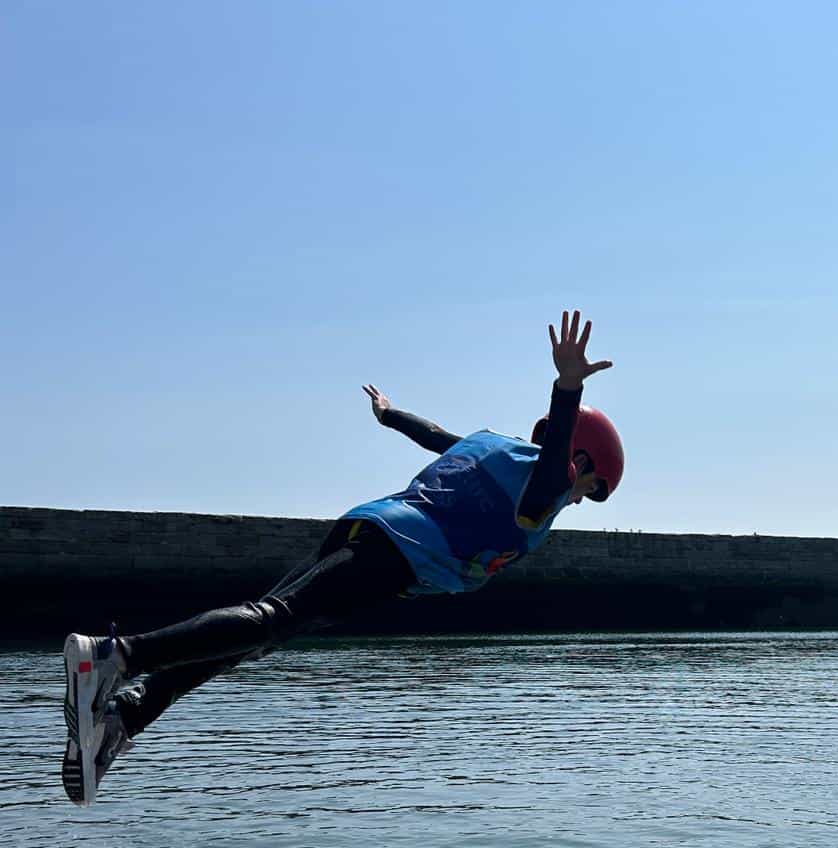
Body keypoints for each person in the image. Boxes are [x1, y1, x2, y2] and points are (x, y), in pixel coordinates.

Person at [61, 310, 624, 806]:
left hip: (366, 528)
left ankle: (124, 717)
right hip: (401, 552)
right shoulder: (547, 485)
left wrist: (389, 414)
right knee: (273, 620)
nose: (580, 498)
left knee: (254, 635)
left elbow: (434, 436)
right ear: (578, 459)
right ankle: (116, 656)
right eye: (590, 486)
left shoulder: (490, 445)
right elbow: (554, 466)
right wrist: (567, 389)